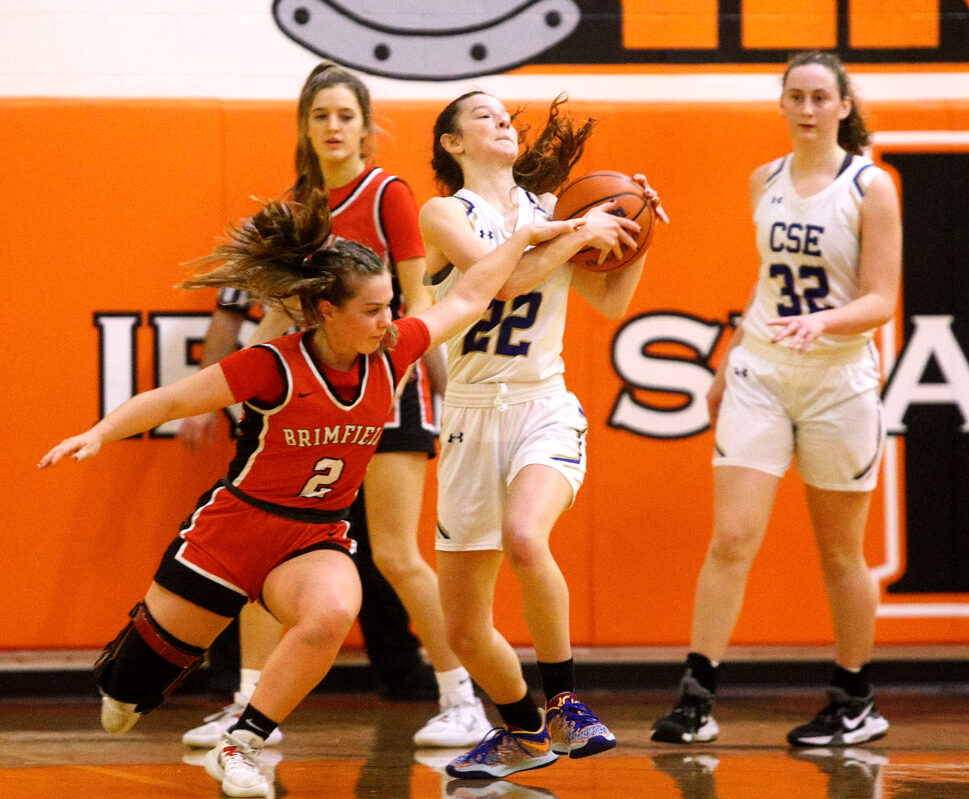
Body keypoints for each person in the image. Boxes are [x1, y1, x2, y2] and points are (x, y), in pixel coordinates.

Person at [38, 192, 589, 798]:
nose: (389, 320)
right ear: (327, 310)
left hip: (313, 534)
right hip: (232, 533)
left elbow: (469, 294)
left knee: (331, 609)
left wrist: (527, 237)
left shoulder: (394, 350)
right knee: (123, 701)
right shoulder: (271, 365)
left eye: (390, 307)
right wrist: (98, 432)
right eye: (374, 310)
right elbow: (172, 400)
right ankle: (130, 664)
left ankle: (240, 745)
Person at [180, 61, 486, 752]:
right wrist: (233, 386)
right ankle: (248, 705)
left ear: (366, 126)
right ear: (305, 126)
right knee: (267, 552)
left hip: (388, 387)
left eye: (346, 114)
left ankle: (462, 695)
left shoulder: (389, 195)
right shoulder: (293, 211)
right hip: (313, 400)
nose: (334, 126)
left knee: (398, 554)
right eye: (321, 116)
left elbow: (421, 300)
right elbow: (275, 314)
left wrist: (434, 385)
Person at [649, 50, 902, 748]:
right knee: (731, 536)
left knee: (840, 552)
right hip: (763, 369)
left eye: (822, 96)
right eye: (797, 96)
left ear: (844, 106)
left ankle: (854, 697)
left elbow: (881, 297)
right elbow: (769, 280)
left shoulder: (870, 186)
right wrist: (731, 354)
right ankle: (696, 697)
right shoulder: (765, 178)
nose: (809, 108)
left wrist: (824, 321)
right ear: (783, 104)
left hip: (838, 377)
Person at [421, 90, 665, 779]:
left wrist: (637, 230)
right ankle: (525, 731)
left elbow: (612, 301)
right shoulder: (443, 214)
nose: (503, 121)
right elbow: (497, 284)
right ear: (452, 143)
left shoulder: (555, 212)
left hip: (541, 404)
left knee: (527, 534)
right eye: (483, 116)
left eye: (507, 116)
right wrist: (578, 232)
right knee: (464, 627)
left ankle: (565, 700)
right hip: (469, 413)